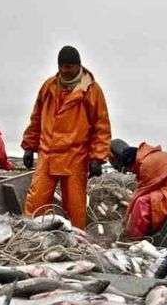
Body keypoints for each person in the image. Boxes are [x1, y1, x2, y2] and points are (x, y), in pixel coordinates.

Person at [21, 45, 111, 228]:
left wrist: (97, 157)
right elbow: (36, 117)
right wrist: (29, 146)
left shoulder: (92, 91)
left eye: (69, 66)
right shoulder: (48, 86)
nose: (64, 70)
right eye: (62, 66)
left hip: (75, 157)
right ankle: (28, 235)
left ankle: (78, 242)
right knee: (36, 201)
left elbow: (101, 126)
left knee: (75, 206)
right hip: (47, 153)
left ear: (78, 66)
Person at [110, 139, 167, 238]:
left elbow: (139, 193)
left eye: (130, 169)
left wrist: (126, 222)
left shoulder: (146, 164)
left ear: (131, 163)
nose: (132, 172)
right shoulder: (152, 155)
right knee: (143, 201)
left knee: (142, 203)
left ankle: (133, 238)